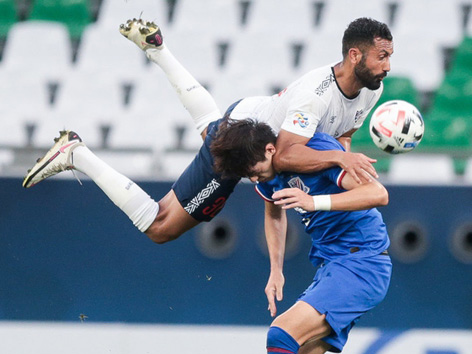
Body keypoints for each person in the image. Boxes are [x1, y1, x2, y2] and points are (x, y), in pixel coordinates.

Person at [22, 16, 392, 242]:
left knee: (209, 131)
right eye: (382, 57)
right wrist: (340, 161)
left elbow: (341, 136)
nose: (388, 66)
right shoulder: (316, 94)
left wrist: (343, 157)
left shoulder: (371, 90)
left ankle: (158, 51)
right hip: (243, 143)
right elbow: (284, 156)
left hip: (248, 119)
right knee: (160, 226)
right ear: (354, 56)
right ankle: (77, 154)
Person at [225, 125, 391, 354]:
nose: (254, 178)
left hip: (362, 262)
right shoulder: (268, 176)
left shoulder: (315, 155)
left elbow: (377, 193)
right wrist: (276, 269)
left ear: (271, 150)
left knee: (281, 334)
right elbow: (274, 210)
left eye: (254, 170)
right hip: (335, 266)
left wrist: (314, 201)